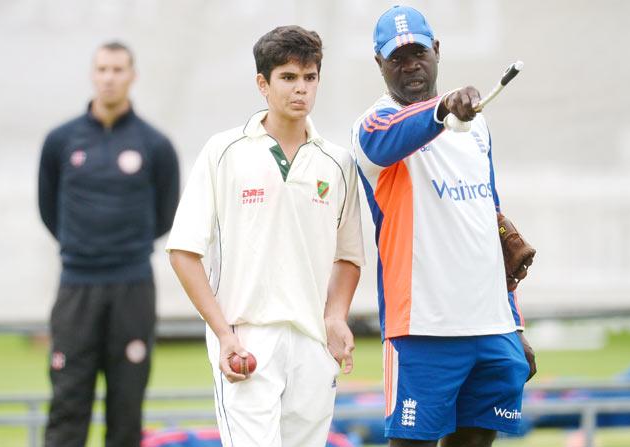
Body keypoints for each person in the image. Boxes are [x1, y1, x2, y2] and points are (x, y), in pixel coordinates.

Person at [166, 25, 364, 447]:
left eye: (309, 78)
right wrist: (223, 334)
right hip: (247, 338)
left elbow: (348, 255)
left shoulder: (337, 162)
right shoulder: (224, 151)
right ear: (263, 83)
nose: (301, 89)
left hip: (312, 343)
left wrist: (335, 316)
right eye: (288, 78)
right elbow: (184, 251)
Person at [351, 6, 537, 447]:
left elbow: (491, 225)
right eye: (396, 58)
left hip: (491, 326)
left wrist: (515, 323)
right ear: (379, 64)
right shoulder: (374, 125)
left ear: (436, 50)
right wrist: (442, 109)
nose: (410, 65)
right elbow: (386, 136)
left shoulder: (478, 127)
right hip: (422, 329)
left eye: (418, 52)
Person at [37, 41, 180, 447]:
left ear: (132, 76)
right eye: (102, 69)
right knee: (68, 401)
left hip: (131, 286)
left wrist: (122, 249)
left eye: (118, 70)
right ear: (92, 74)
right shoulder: (60, 141)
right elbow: (49, 209)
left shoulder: (155, 144)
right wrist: (84, 248)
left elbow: (165, 214)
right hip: (76, 288)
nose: (109, 78)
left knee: (126, 406)